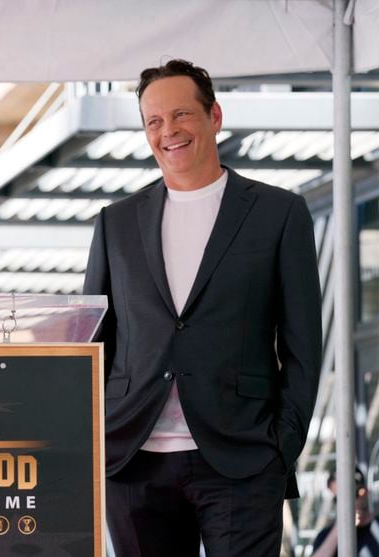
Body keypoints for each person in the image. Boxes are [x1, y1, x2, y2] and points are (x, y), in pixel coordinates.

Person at [83, 59, 322, 556]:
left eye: (181, 115)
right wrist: (98, 438)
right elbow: (97, 343)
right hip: (134, 457)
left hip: (242, 457)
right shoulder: (115, 223)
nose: (168, 131)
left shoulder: (279, 214)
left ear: (214, 115)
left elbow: (302, 346)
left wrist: (283, 447)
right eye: (153, 121)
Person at [311, 468, 379, 556]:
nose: (346, 502)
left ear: (364, 492)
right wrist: (339, 527)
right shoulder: (325, 536)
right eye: (338, 498)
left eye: (352, 494)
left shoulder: (376, 525)